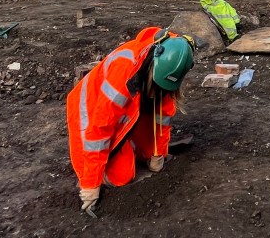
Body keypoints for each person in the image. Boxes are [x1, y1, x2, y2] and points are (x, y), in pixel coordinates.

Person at [66, 26, 195, 215]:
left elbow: (163, 117)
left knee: (146, 152)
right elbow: (98, 132)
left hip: (124, 110)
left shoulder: (171, 60)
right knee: (121, 176)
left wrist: (158, 153)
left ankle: (130, 143)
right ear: (153, 63)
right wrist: (90, 185)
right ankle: (113, 158)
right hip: (89, 111)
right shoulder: (123, 73)